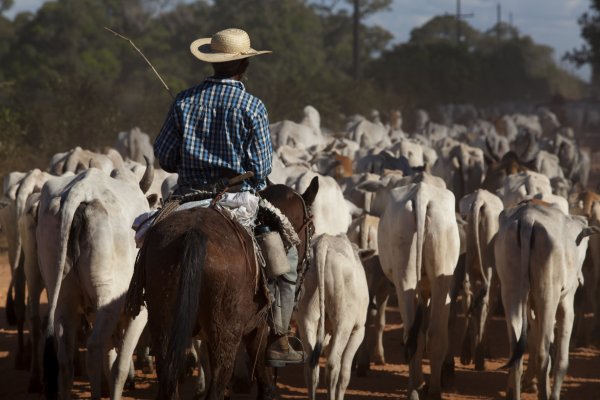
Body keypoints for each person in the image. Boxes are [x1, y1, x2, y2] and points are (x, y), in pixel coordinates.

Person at [153, 28, 303, 365]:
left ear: (212, 62)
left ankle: (144, 307)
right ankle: (279, 336)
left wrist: (189, 154)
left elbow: (164, 156)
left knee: (148, 243)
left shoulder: (184, 100)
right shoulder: (252, 106)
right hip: (238, 202)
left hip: (186, 199)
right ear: (245, 63)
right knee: (285, 264)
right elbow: (262, 168)